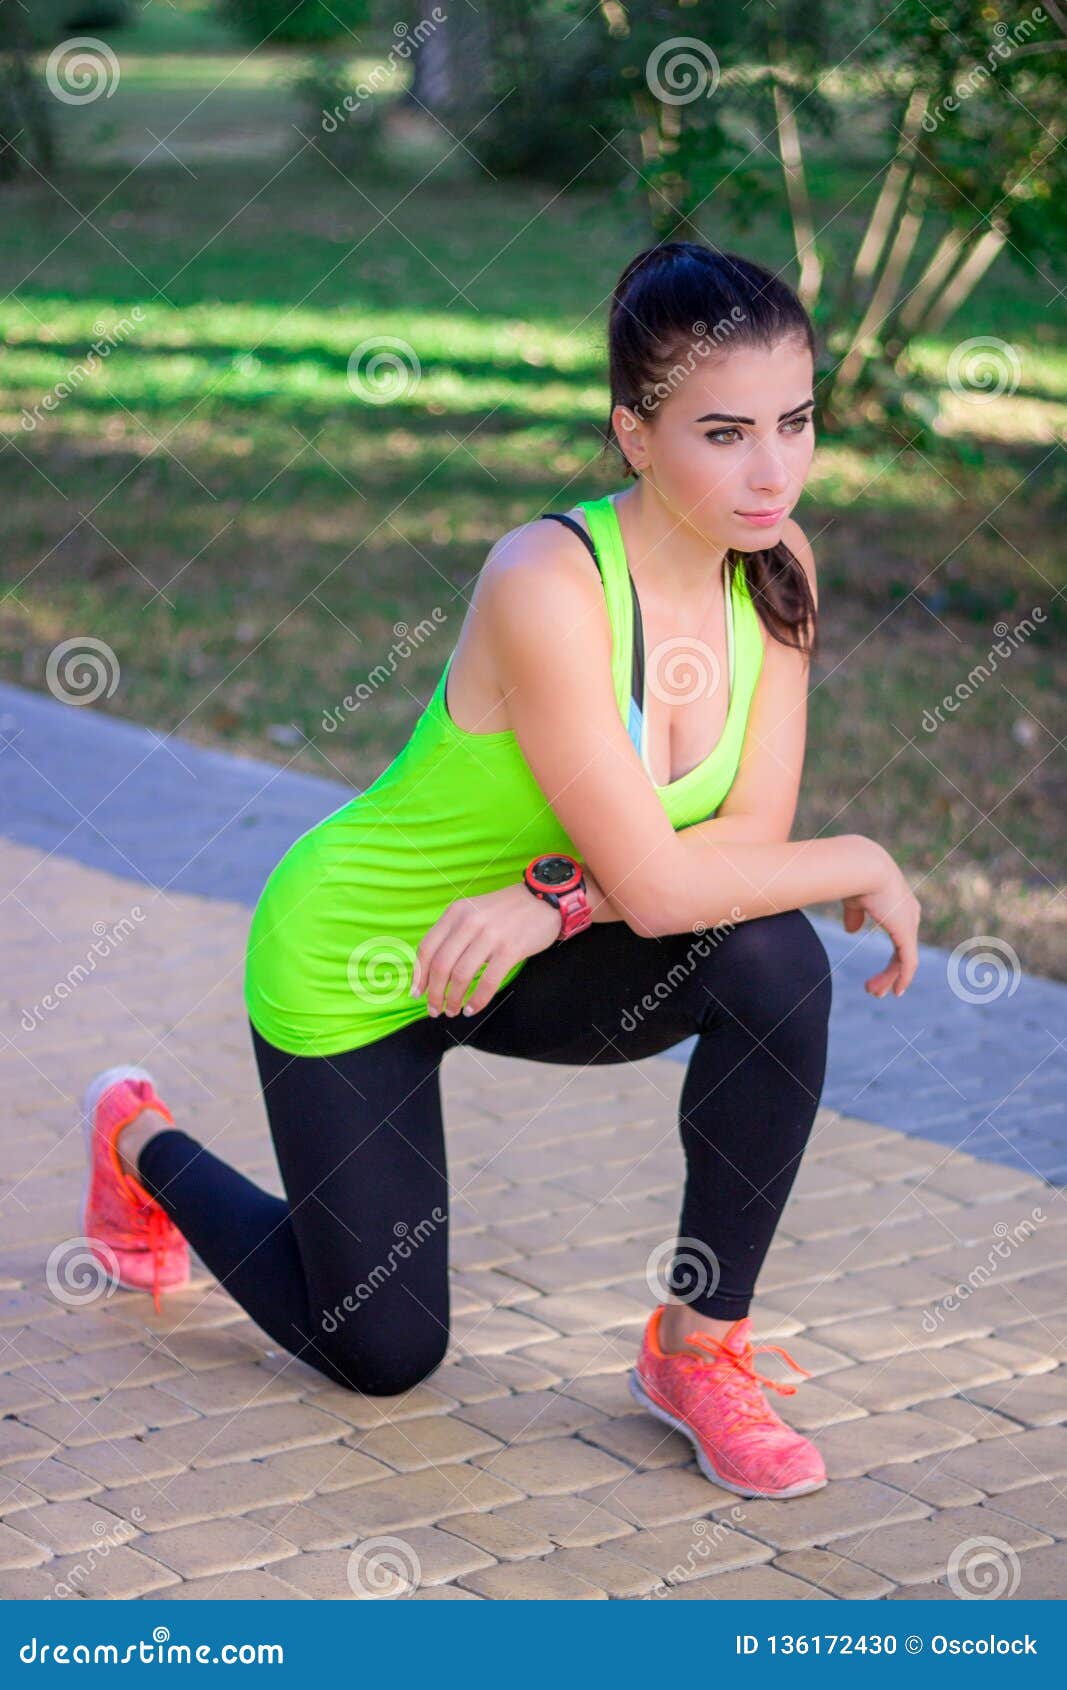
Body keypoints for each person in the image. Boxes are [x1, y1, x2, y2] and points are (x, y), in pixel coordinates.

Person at [78, 242, 920, 1501]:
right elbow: (673, 878)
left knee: (771, 959)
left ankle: (697, 1348)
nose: (770, 470)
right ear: (632, 435)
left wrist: (550, 904)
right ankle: (135, 1137)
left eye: (794, 424)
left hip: (527, 948)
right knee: (381, 1350)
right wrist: (860, 855)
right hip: (359, 954)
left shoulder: (775, 569)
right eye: (724, 431)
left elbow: (733, 854)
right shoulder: (546, 582)